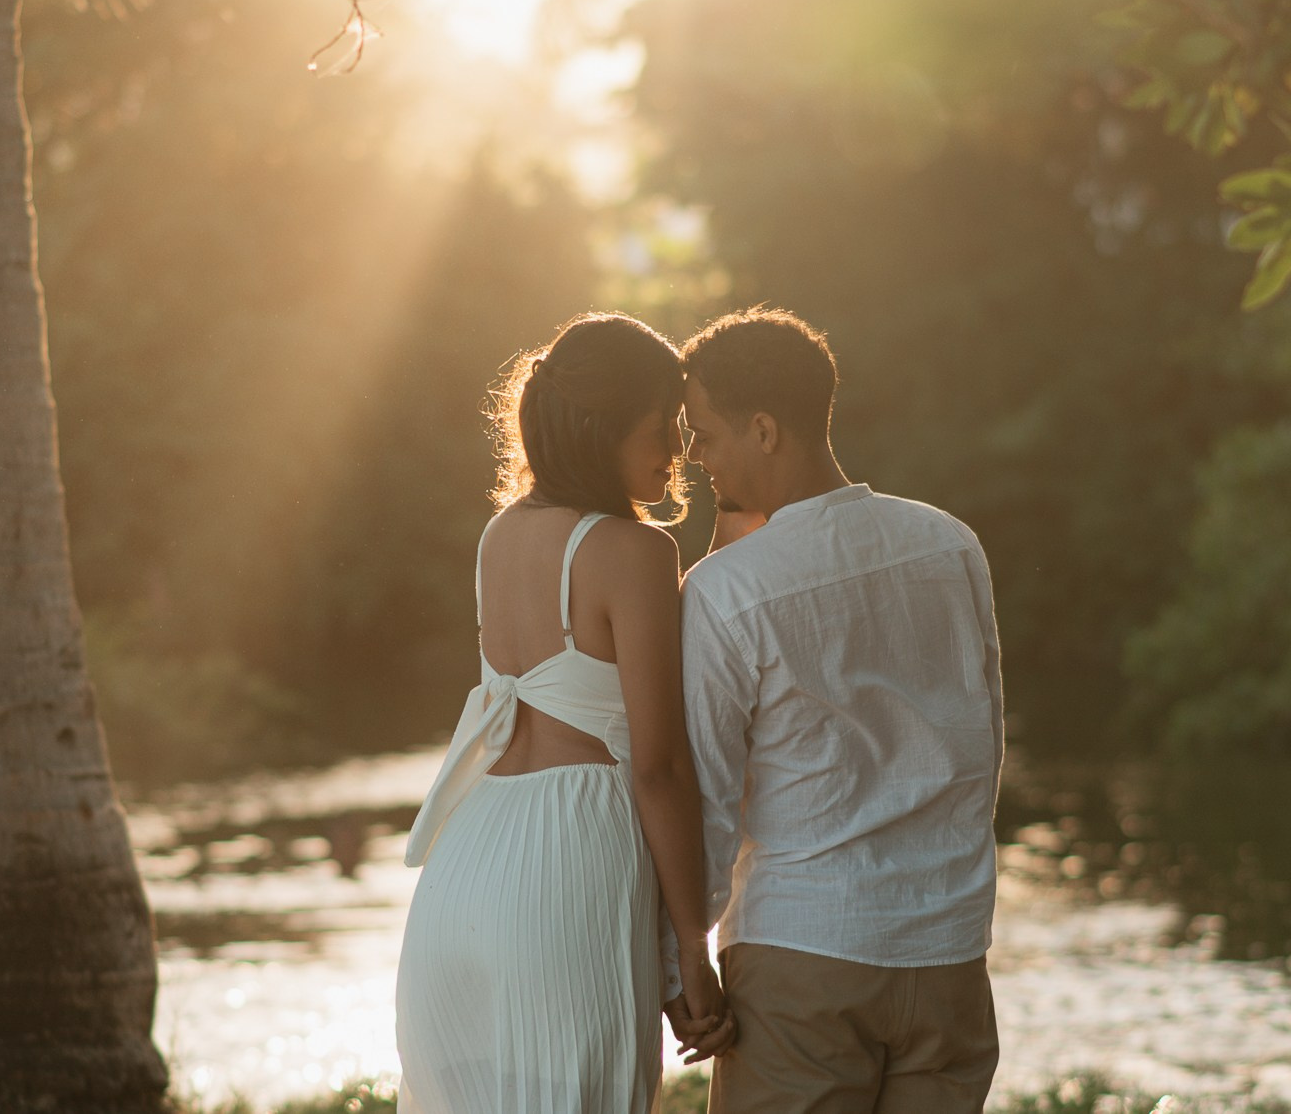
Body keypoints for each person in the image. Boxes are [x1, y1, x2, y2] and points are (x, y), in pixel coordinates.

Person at [396, 312, 733, 1114]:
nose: (678, 451)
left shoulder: (499, 535)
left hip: (468, 863)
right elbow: (657, 765)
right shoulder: (636, 552)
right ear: (604, 428)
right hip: (570, 860)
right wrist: (692, 948)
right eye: (663, 427)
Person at [677, 307, 1005, 1114]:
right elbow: (982, 742)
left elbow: (708, 798)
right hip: (948, 955)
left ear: (763, 430)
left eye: (705, 433)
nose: (694, 457)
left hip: (804, 951)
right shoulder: (951, 543)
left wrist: (682, 954)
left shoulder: (727, 589)